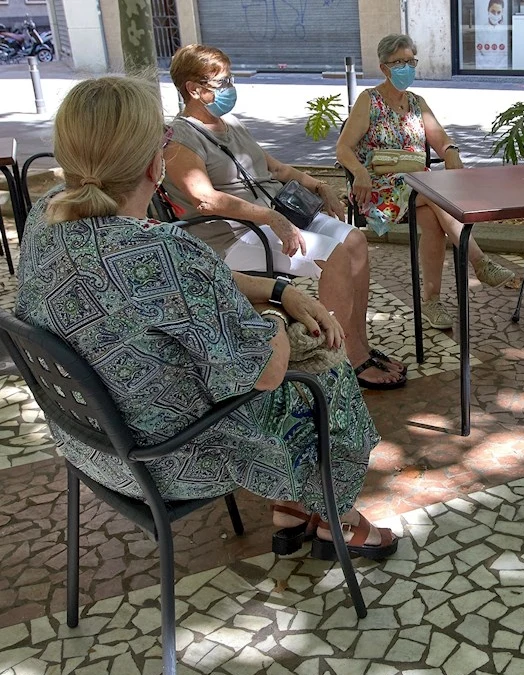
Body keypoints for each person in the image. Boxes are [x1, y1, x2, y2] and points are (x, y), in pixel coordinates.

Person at [16, 76, 398, 560]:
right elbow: (267, 370)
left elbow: (184, 282)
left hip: (89, 443)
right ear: (156, 163)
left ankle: (291, 509)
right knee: (323, 366)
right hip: (169, 459)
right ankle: (336, 514)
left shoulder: (47, 215)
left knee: (280, 364)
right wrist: (274, 313)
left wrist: (277, 288)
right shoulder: (164, 251)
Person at [161, 44, 405, 390]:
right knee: (333, 255)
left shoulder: (229, 123)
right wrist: (270, 218)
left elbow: (274, 167)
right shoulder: (180, 138)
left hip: (275, 218)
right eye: (222, 81)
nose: (230, 88)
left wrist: (318, 186)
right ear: (194, 89)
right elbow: (204, 199)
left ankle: (357, 345)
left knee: (354, 240)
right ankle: (336, 364)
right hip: (235, 236)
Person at [336, 34, 515, 331]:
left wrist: (451, 152)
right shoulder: (370, 100)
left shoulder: (418, 103)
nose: (406, 67)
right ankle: (479, 261)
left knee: (433, 217)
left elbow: (441, 139)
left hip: (418, 188)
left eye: (410, 61)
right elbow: (343, 148)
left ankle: (432, 301)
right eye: (399, 62)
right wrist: (360, 172)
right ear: (384, 68)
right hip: (379, 188)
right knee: (432, 190)